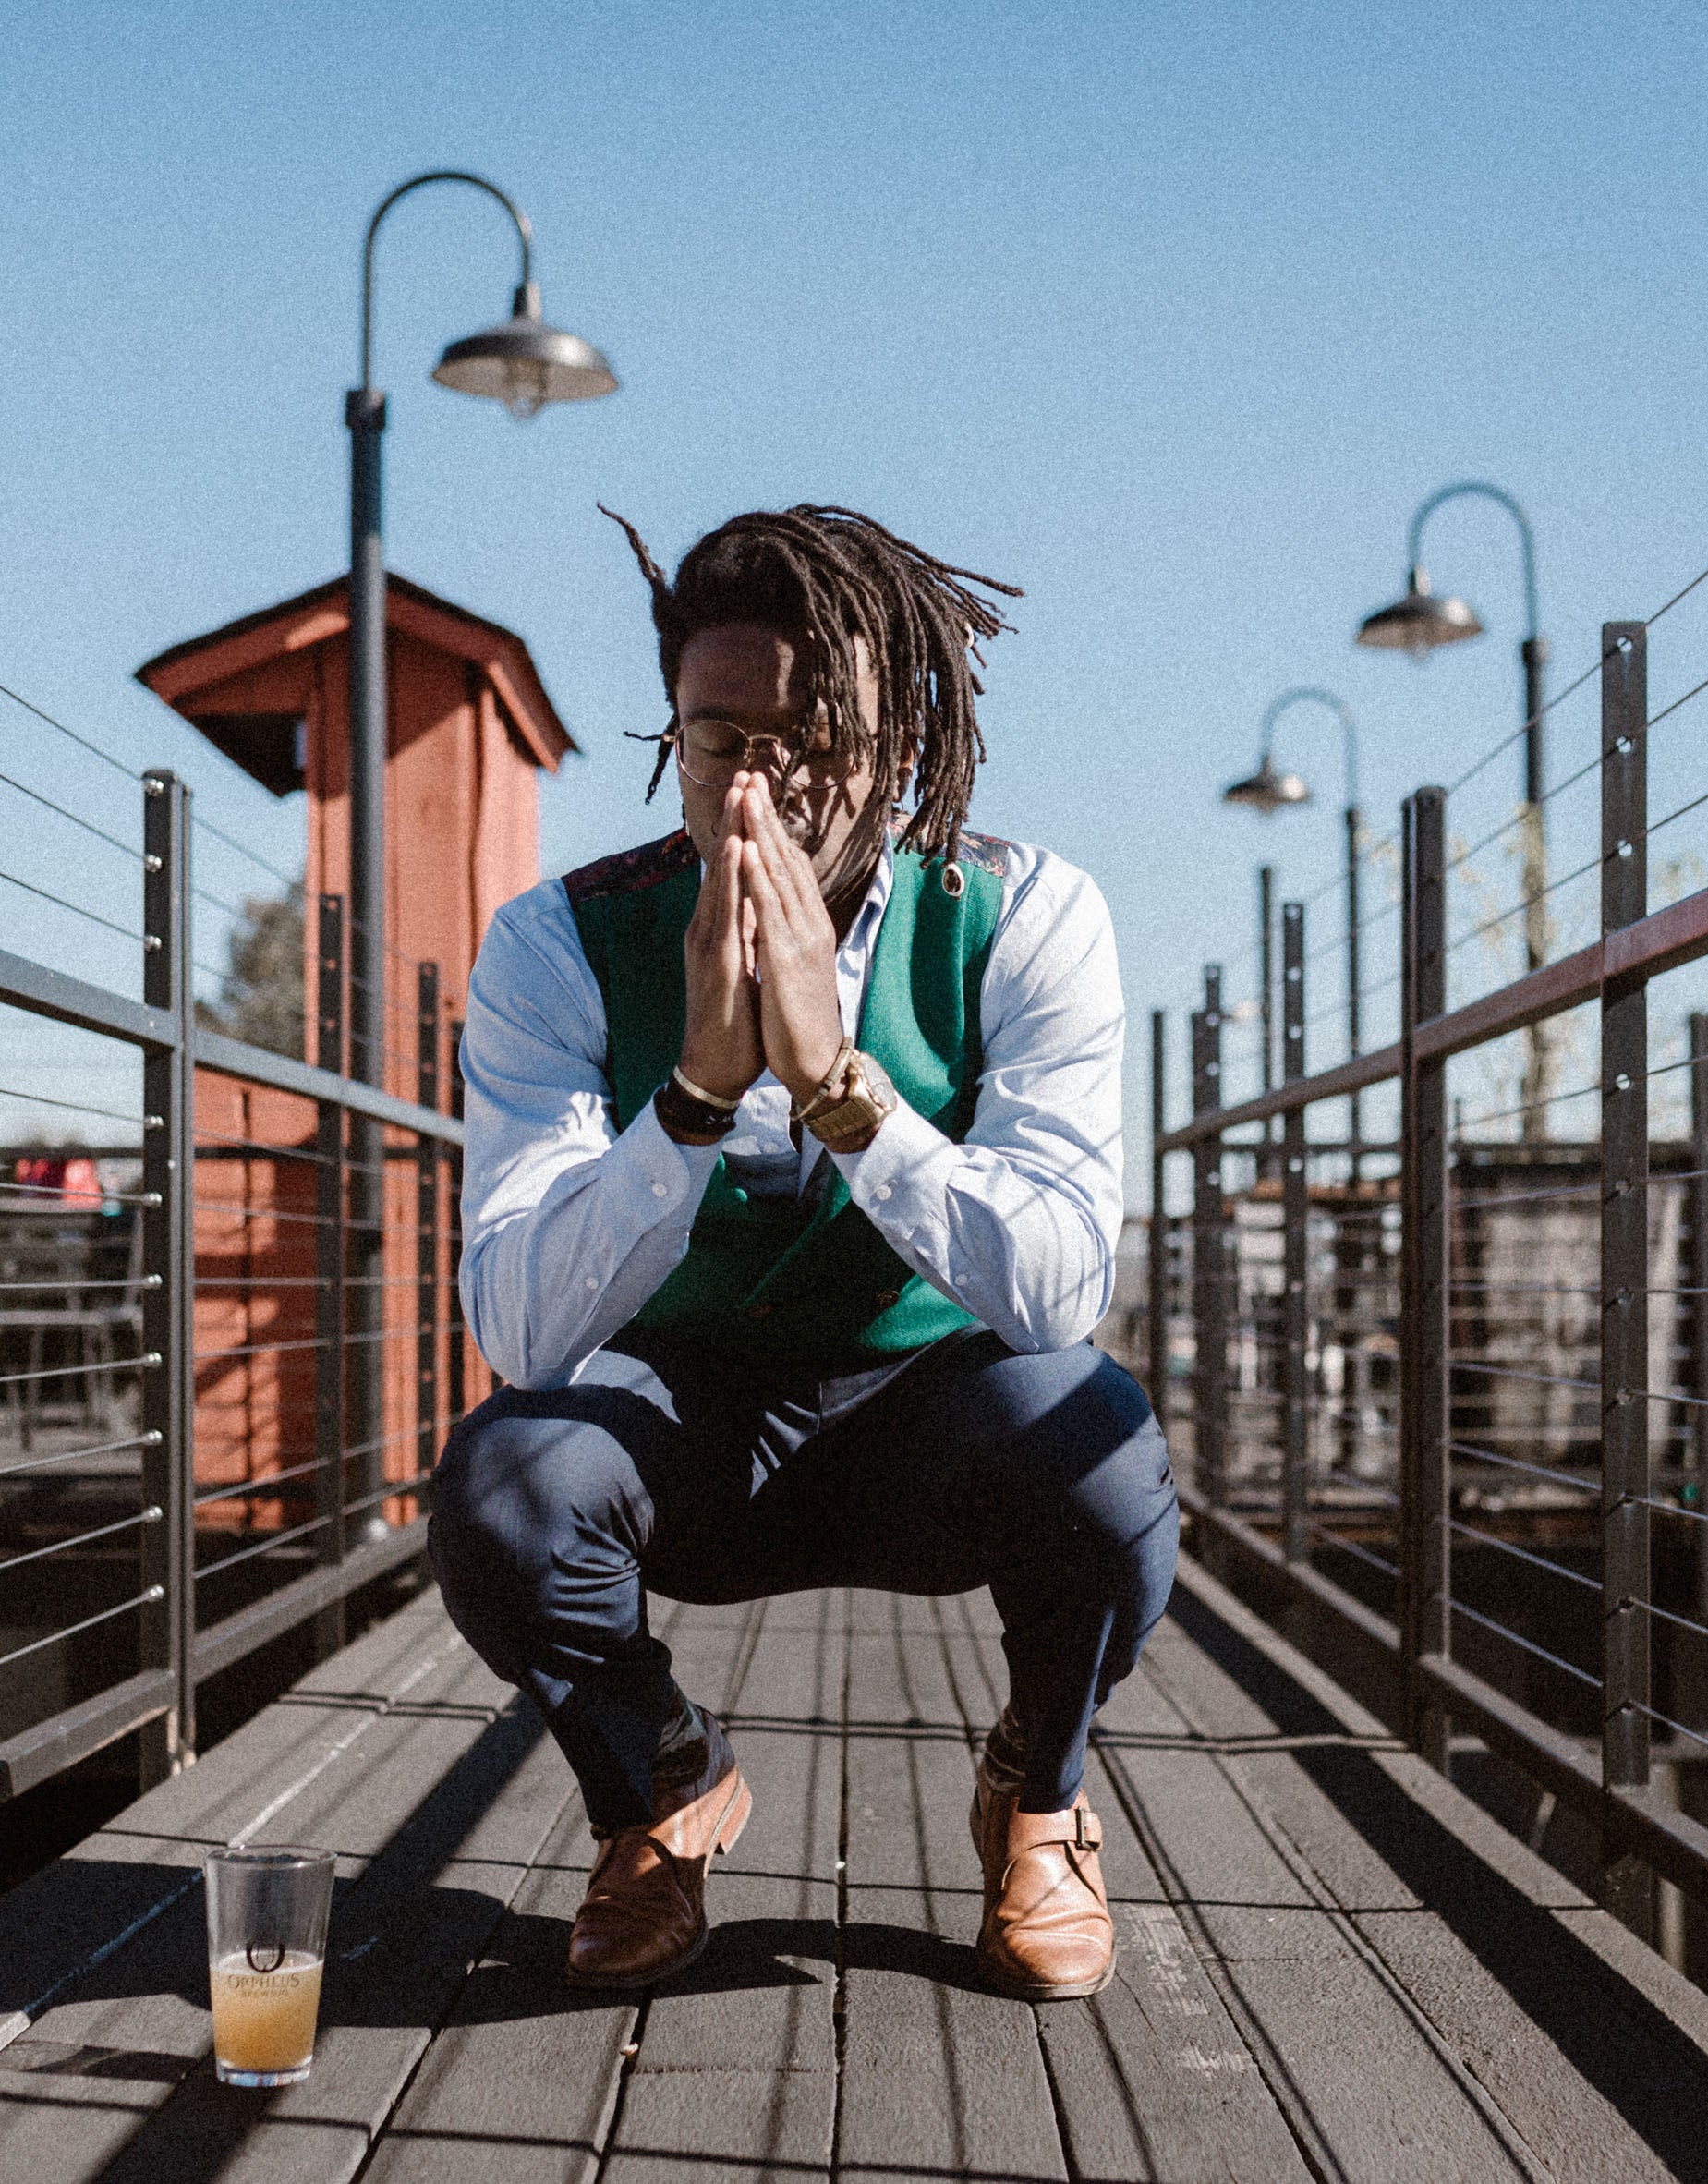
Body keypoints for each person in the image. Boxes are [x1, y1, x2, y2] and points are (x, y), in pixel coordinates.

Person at [429, 504, 1178, 2002]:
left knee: (1101, 1444)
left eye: (813, 742)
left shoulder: (1026, 914)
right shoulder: (557, 944)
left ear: (900, 746)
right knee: (503, 1484)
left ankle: (1039, 1797)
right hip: (688, 1426)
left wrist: (848, 1092)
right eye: (718, 743)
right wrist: (692, 1103)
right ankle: (658, 1787)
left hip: (934, 1419)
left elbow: (1059, 1287)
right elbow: (519, 1327)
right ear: (672, 738)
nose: (761, 791)